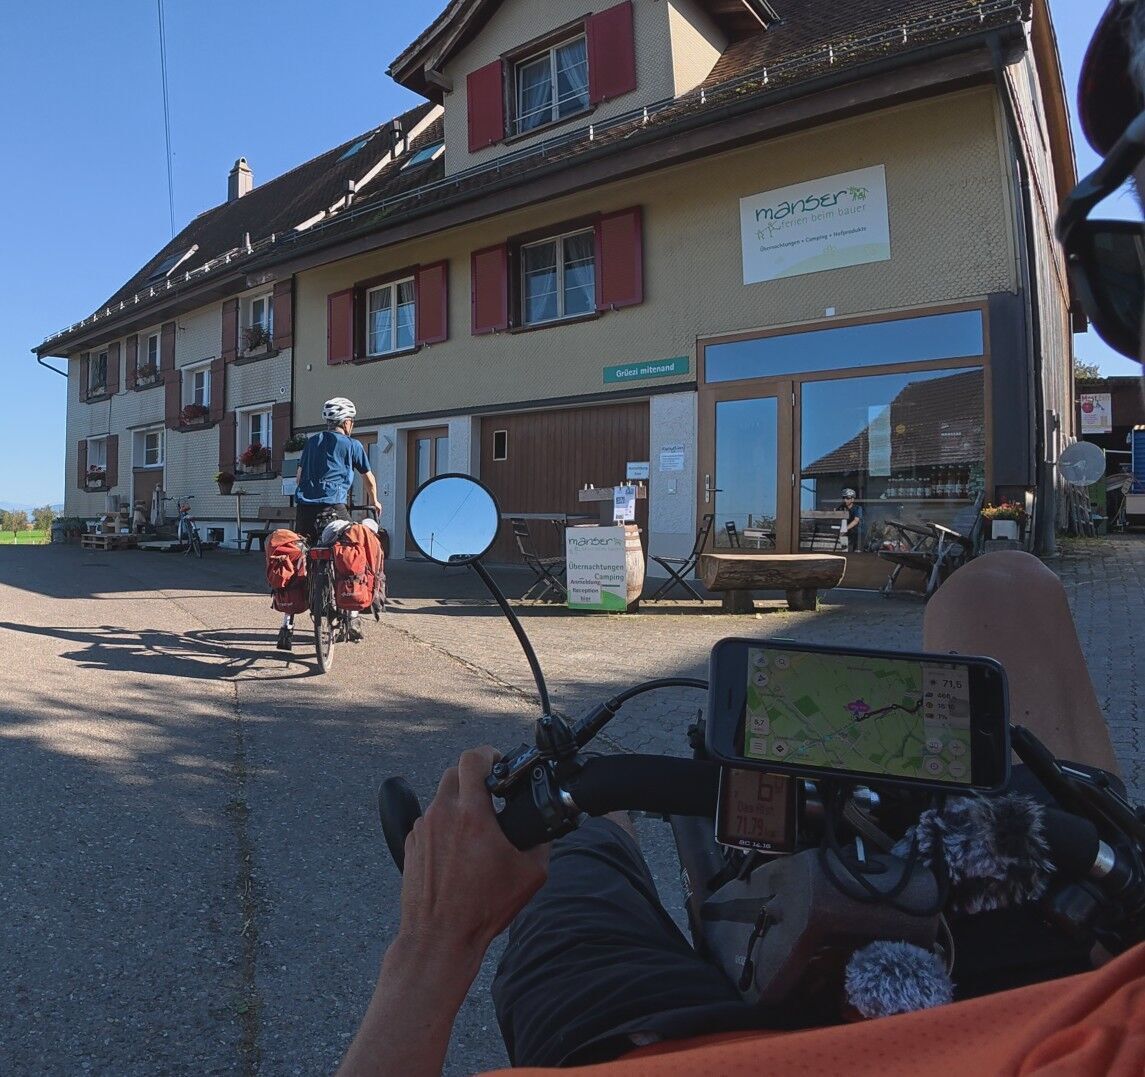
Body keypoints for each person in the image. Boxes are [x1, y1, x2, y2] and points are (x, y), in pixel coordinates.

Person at [338, 5, 1145, 1071]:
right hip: (1065, 953)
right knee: (1001, 586)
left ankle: (591, 844)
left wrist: (428, 948)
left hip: (681, 1042)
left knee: (583, 852)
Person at [276, 396, 382, 651]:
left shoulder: (311, 442)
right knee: (353, 549)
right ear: (346, 422)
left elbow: (299, 476)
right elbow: (368, 478)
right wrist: (375, 501)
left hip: (305, 511)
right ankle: (353, 616)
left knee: (300, 559)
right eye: (351, 421)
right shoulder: (352, 445)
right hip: (334, 509)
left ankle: (287, 624)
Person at [836, 487, 863, 551]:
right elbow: (835, 516)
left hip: (857, 534)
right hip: (845, 534)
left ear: (852, 499)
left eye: (847, 498)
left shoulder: (858, 508)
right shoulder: (841, 507)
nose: (845, 500)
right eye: (844, 498)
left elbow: (856, 521)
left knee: (856, 552)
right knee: (844, 550)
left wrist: (844, 529)